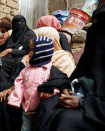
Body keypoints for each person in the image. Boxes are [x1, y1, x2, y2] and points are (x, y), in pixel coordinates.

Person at [32, 3, 105, 131]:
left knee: (66, 121)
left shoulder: (63, 58)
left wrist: (83, 103)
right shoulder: (92, 48)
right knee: (47, 106)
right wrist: (66, 88)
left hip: (97, 109)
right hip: (85, 98)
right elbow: (76, 77)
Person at [8, 36, 59, 131]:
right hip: (26, 109)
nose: (29, 53)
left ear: (41, 52)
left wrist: (52, 92)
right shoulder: (27, 69)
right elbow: (19, 83)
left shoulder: (49, 70)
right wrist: (15, 100)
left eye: (32, 50)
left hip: (41, 111)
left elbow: (57, 86)